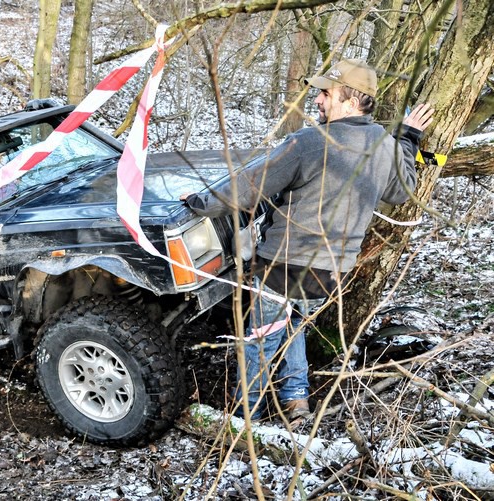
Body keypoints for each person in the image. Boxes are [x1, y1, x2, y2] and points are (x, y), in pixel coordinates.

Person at [180, 59, 435, 422]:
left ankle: (244, 418)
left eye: (326, 93)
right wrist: (407, 137)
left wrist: (199, 202)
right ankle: (296, 399)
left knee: (260, 343)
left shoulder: (307, 143)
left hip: (282, 267)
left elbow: (248, 188)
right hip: (331, 271)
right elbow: (400, 190)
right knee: (294, 323)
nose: (317, 100)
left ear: (351, 101)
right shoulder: (383, 143)